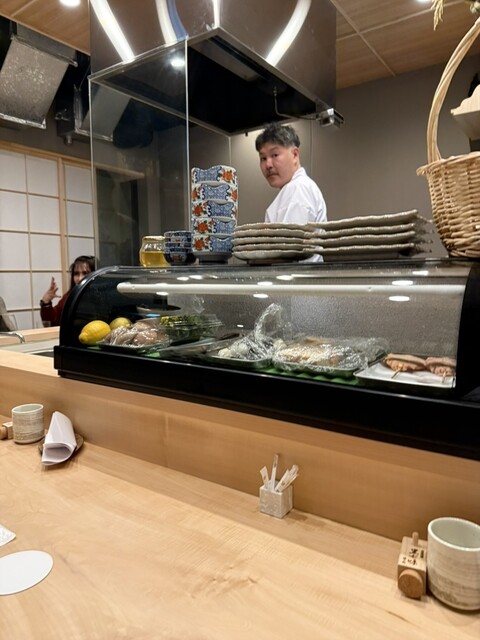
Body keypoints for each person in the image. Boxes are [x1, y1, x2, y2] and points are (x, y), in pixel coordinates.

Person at [255, 122, 327, 262]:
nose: (268, 165)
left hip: (296, 275)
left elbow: (289, 254)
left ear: (295, 155)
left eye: (275, 155)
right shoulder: (297, 187)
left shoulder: (298, 188)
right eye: (263, 158)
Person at [40, 255, 96, 327]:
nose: (80, 278)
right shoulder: (68, 297)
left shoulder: (101, 297)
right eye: (76, 274)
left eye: (85, 273)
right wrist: (46, 303)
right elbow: (52, 323)